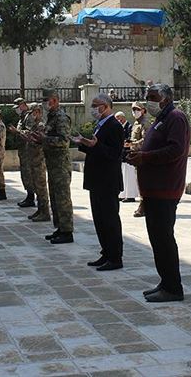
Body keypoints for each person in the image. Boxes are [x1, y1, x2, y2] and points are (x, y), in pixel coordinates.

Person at [126, 84, 190, 303]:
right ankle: (165, 282)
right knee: (157, 239)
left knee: (163, 239)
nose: (149, 101)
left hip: (165, 188)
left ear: (166, 99)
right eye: (148, 97)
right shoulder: (161, 118)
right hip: (153, 189)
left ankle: (173, 288)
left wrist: (145, 157)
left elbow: (175, 149)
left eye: (153, 97)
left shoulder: (175, 118)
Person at [75, 94, 125, 271]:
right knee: (100, 220)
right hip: (97, 180)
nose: (93, 108)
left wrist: (95, 146)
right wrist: (83, 143)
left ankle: (115, 257)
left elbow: (114, 154)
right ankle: (106, 253)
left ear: (106, 106)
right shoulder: (101, 124)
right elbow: (96, 149)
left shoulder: (114, 126)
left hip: (107, 181)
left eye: (96, 105)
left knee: (110, 220)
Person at [31, 88, 75, 244]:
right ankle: (60, 228)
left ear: (55, 100)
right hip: (52, 163)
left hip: (60, 165)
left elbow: (63, 140)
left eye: (46, 100)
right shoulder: (51, 117)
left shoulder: (61, 118)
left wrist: (44, 139)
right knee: (55, 198)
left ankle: (67, 231)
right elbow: (49, 138)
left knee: (63, 198)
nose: (44, 103)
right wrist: (39, 139)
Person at [24, 103, 51, 222]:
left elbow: (41, 141)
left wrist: (32, 138)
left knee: (41, 187)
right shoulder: (34, 126)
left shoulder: (41, 125)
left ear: (38, 112)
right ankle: (40, 209)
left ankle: (45, 212)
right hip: (33, 159)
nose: (31, 115)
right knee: (36, 186)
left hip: (39, 160)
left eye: (33, 113)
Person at [9, 98, 35, 207]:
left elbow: (30, 132)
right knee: (25, 174)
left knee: (28, 174)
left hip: (28, 150)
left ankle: (31, 197)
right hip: (23, 150)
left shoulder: (29, 117)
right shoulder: (22, 118)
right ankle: (29, 195)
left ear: (23, 105)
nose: (17, 110)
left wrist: (17, 132)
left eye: (18, 107)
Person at [127, 102, 150, 217]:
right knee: (139, 181)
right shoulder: (136, 123)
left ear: (143, 110)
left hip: (142, 155)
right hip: (136, 155)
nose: (134, 112)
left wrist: (133, 144)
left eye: (137, 109)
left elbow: (145, 140)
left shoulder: (145, 123)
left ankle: (143, 205)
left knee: (142, 181)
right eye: (133, 109)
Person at [115, 111, 135, 202]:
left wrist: (125, 141)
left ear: (122, 118)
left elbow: (130, 138)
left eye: (118, 118)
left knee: (129, 176)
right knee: (123, 175)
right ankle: (123, 194)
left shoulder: (129, 127)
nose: (117, 120)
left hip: (128, 154)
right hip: (122, 155)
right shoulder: (120, 127)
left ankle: (130, 195)